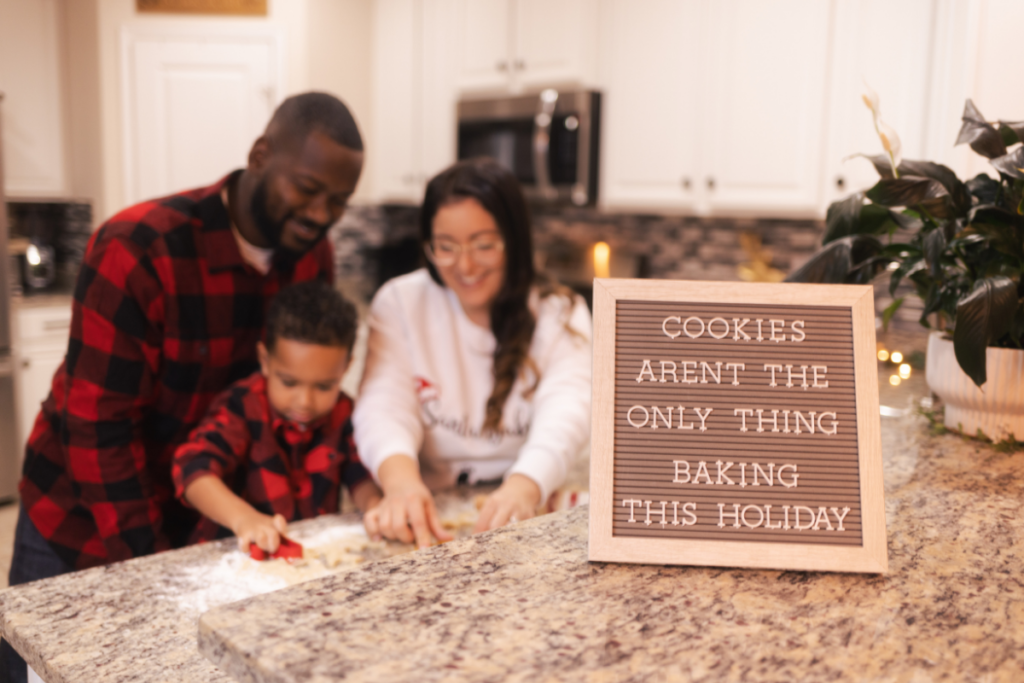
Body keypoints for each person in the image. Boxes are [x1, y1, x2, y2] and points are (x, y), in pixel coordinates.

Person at [0, 90, 365, 683]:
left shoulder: (310, 255)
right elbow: (98, 429)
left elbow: (273, 412)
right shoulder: (138, 248)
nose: (323, 214)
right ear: (260, 154)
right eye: (308, 189)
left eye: (340, 202)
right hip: (81, 521)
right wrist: (159, 571)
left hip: (199, 524)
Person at [353, 157, 592, 549]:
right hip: (430, 517)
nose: (464, 265)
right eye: (445, 247)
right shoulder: (399, 303)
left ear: (514, 241)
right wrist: (401, 484)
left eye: (483, 245)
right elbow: (383, 406)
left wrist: (523, 487)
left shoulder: (561, 314)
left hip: (529, 510)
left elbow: (568, 414)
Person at [173, 280, 381, 553]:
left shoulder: (343, 412)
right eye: (289, 382)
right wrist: (244, 519)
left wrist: (376, 507)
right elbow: (191, 468)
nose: (304, 402)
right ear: (265, 360)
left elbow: (359, 474)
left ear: (346, 368)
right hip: (234, 557)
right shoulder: (244, 406)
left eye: (323, 386)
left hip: (307, 554)